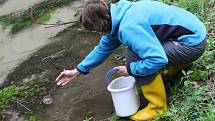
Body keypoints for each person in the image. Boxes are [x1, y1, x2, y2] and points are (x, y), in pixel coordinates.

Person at [55, 0, 207, 120]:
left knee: (133, 55)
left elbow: (158, 59)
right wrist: (77, 71)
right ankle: (176, 69)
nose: (99, 35)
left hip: (191, 44)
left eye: (96, 31)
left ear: (101, 25)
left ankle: (157, 107)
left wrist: (130, 70)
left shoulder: (128, 27)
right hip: (193, 34)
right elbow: (102, 49)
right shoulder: (119, 13)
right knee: (144, 50)